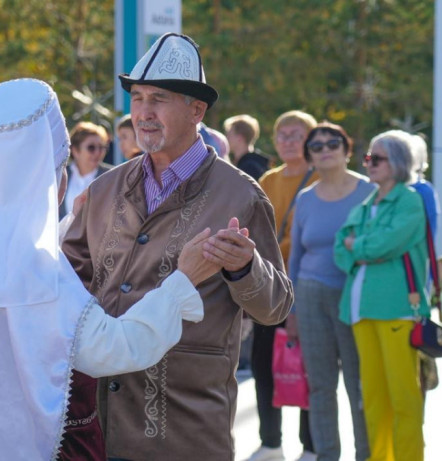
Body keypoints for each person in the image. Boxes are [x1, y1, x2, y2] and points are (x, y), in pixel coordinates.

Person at [0, 78, 218, 461]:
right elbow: (112, 348)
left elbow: (5, 305)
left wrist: (66, 227)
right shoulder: (35, 265)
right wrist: (183, 280)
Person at [63, 33, 293, 461]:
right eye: (138, 98)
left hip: (184, 427)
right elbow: (66, 283)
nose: (143, 113)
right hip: (98, 425)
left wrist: (246, 269)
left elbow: (275, 307)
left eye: (159, 99)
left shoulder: (242, 195)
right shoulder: (104, 189)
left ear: (197, 110)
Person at [334, 131, 428, 461]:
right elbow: (339, 249)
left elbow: (383, 245)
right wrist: (361, 250)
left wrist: (358, 247)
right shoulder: (366, 203)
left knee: (403, 398)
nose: (369, 164)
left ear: (400, 162)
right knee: (373, 399)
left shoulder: (410, 201)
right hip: (359, 310)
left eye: (378, 158)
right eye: (368, 158)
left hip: (397, 310)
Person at [287, 122, 372, 461]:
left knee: (359, 385)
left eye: (332, 142)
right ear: (309, 157)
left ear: (347, 148)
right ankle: (326, 455)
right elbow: (295, 256)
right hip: (310, 296)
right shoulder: (305, 199)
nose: (325, 149)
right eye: (316, 146)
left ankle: (366, 454)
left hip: (357, 298)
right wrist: (291, 310)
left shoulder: (369, 191)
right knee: (321, 386)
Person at [252, 110, 318, 461]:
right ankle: (271, 441)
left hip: (308, 283)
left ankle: (310, 444)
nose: (289, 140)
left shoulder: (321, 177)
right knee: (264, 363)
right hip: (270, 283)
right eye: (282, 134)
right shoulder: (268, 179)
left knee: (310, 366)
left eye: (297, 134)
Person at [59, 121, 112, 218]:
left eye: (101, 147)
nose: (97, 152)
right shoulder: (60, 175)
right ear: (75, 150)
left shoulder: (112, 175)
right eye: (91, 148)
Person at [224, 114, 270, 180]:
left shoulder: (249, 168)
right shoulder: (256, 163)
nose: (226, 138)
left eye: (229, 135)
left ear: (239, 138)